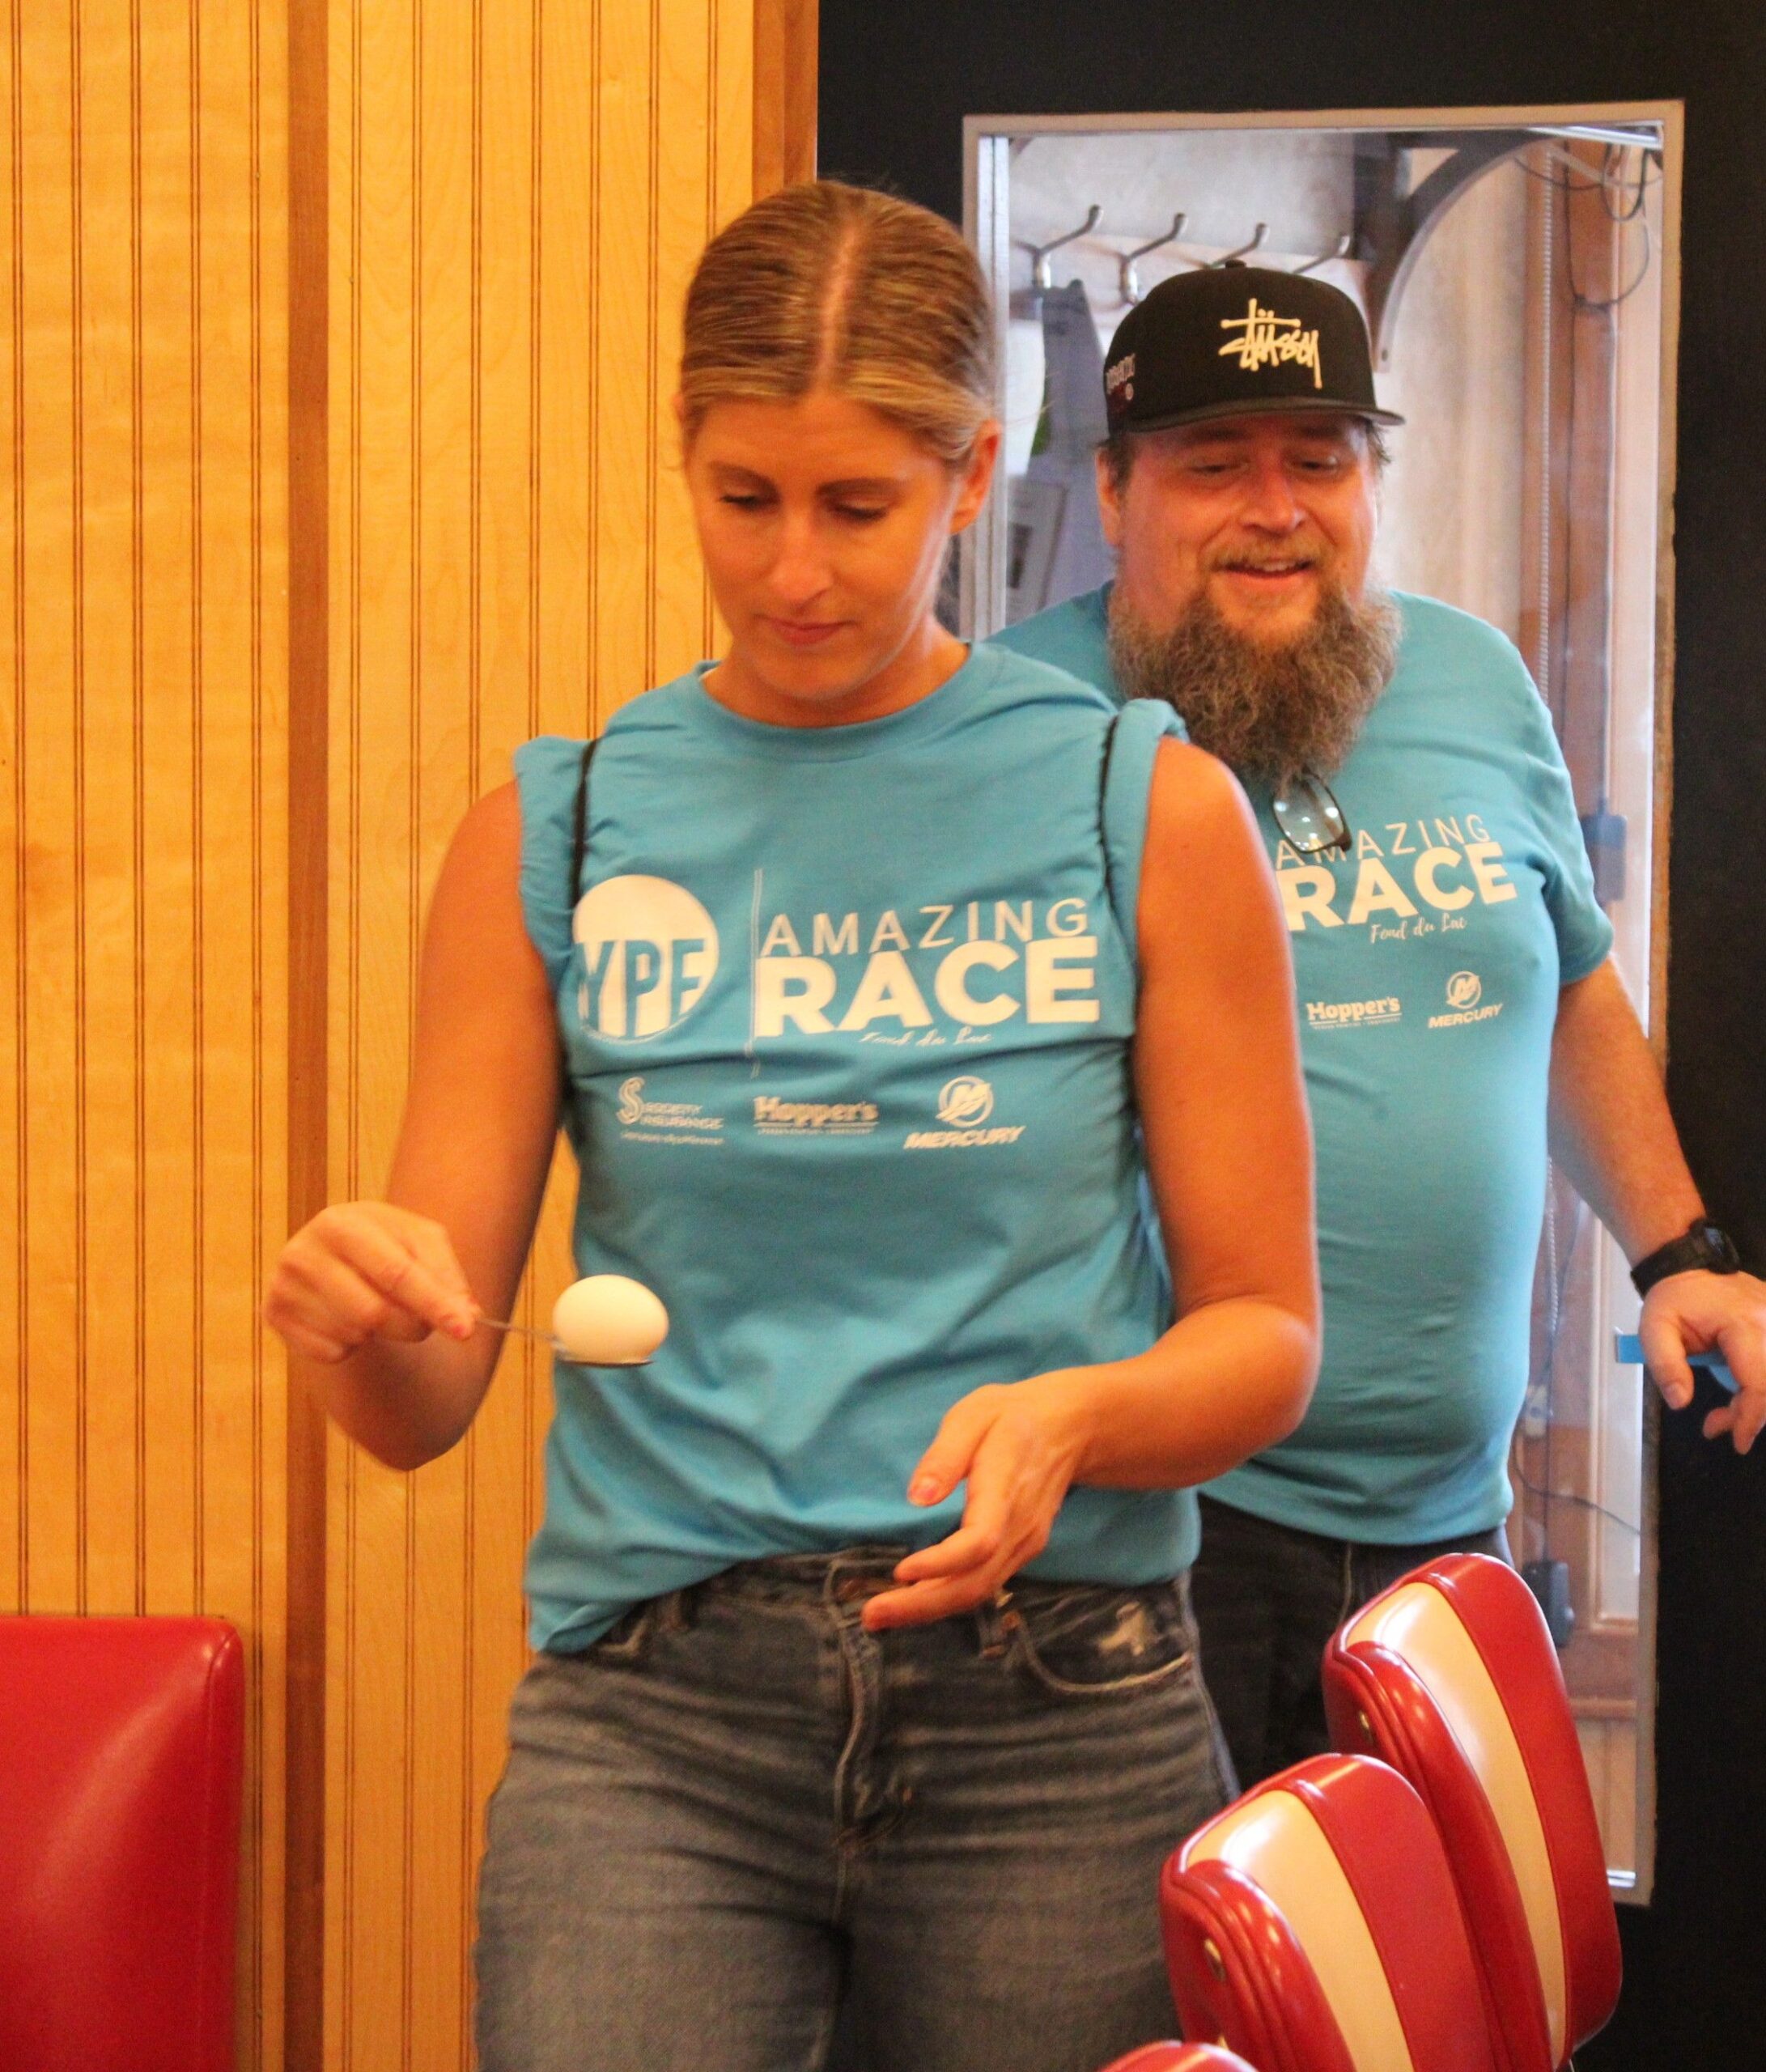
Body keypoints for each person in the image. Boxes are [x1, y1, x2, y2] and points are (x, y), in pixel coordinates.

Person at [264, 185, 1318, 2072]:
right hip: (660, 1723)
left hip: (1060, 1703)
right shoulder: (557, 827)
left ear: (973, 472)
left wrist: (1076, 1412)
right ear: (683, 457)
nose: (794, 572)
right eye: (743, 498)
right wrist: (359, 1321)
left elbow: (1263, 1334)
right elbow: (426, 1396)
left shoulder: (1136, 810)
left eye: (858, 506)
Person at [995, 260, 1766, 1789]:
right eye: (1213, 465)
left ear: (1368, 480)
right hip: (1153, 1546)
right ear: (1110, 490)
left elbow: (1561, 981)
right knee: (1171, 2014)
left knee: (1434, 2008)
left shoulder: (1473, 679)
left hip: (1452, 1536)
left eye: (1318, 460)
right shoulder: (1011, 730)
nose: (1273, 508)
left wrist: (1679, 1254)